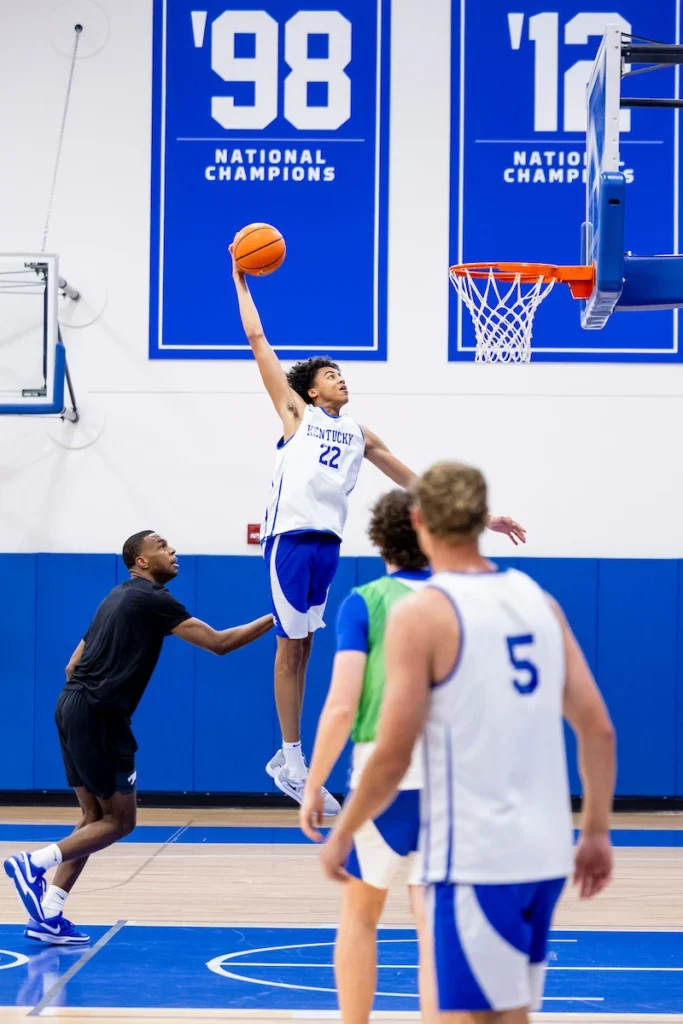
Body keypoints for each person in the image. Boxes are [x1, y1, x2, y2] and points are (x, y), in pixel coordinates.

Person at [230, 245, 527, 813]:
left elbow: (412, 481)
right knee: (290, 647)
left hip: (327, 545)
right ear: (310, 390)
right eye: (330, 375)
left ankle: (290, 756)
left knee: (306, 647)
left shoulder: (361, 434)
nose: (340, 379)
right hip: (290, 538)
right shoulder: (297, 415)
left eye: (342, 374)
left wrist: (477, 517)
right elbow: (258, 342)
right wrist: (240, 279)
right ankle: (290, 758)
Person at [320, 462, 616, 1024]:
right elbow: (598, 728)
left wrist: (342, 830)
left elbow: (392, 754)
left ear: (418, 520)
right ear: (482, 519)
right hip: (547, 849)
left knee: (465, 1017)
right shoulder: (538, 599)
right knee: (509, 1012)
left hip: (478, 854)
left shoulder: (423, 614)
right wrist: (597, 831)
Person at [4, 530, 273, 946]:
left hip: (70, 706)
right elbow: (221, 644)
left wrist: (91, 705)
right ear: (142, 561)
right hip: (99, 716)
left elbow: (72, 665)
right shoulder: (153, 600)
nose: (173, 550)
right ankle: (33, 863)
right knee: (120, 821)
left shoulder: (114, 598)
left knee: (94, 818)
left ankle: (50, 914)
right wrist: (279, 617)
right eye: (163, 546)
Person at [300, 489, 437, 1024]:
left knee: (360, 917)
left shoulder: (366, 601)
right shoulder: (463, 599)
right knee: (434, 929)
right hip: (453, 782)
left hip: (385, 781)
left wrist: (314, 784)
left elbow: (340, 705)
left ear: (378, 538)